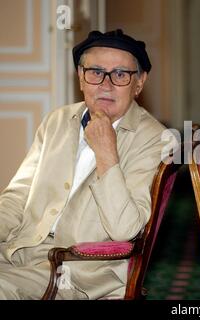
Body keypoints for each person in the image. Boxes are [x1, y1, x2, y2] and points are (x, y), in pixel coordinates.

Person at [0, 29, 173, 299]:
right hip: (19, 252)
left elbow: (124, 229)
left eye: (120, 75)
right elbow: (18, 196)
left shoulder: (156, 139)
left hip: (78, 270)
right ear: (80, 77)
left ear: (139, 83)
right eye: (95, 72)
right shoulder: (57, 121)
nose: (105, 84)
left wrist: (107, 153)